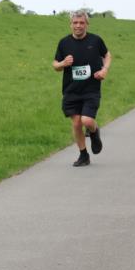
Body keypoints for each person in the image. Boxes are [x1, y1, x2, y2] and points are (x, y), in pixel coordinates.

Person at [52, 11, 111, 167]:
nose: (78, 26)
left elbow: (107, 55)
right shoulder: (64, 43)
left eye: (81, 23)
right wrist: (63, 63)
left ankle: (94, 131)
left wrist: (105, 69)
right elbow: (55, 65)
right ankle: (83, 155)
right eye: (75, 23)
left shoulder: (96, 40)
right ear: (71, 24)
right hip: (71, 90)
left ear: (87, 24)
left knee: (87, 120)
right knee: (77, 123)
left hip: (91, 89)